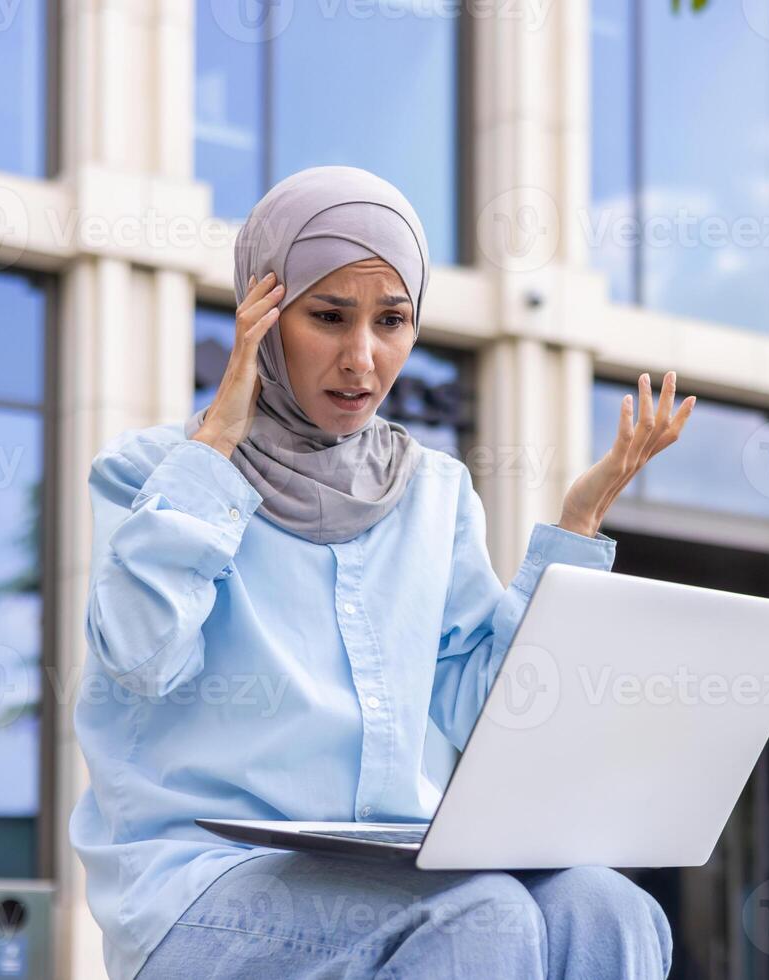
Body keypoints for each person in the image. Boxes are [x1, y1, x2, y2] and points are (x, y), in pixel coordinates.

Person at [68, 165, 696, 979]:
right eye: (328, 317)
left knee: (609, 909)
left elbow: (480, 708)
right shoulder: (152, 472)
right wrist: (214, 453)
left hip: (404, 865)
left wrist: (576, 526)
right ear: (263, 313)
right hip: (204, 884)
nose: (362, 359)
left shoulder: (434, 491)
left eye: (392, 321)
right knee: (482, 915)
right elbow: (141, 659)